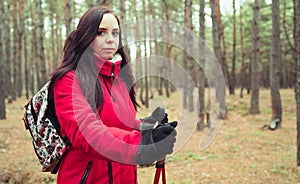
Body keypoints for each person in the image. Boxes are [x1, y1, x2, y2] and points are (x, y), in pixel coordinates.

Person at [49, 6, 177, 184]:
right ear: (85, 36)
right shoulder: (69, 80)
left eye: (115, 33)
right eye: (101, 32)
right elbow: (87, 132)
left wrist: (147, 127)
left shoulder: (119, 78)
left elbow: (120, 123)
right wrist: (142, 142)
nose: (110, 40)